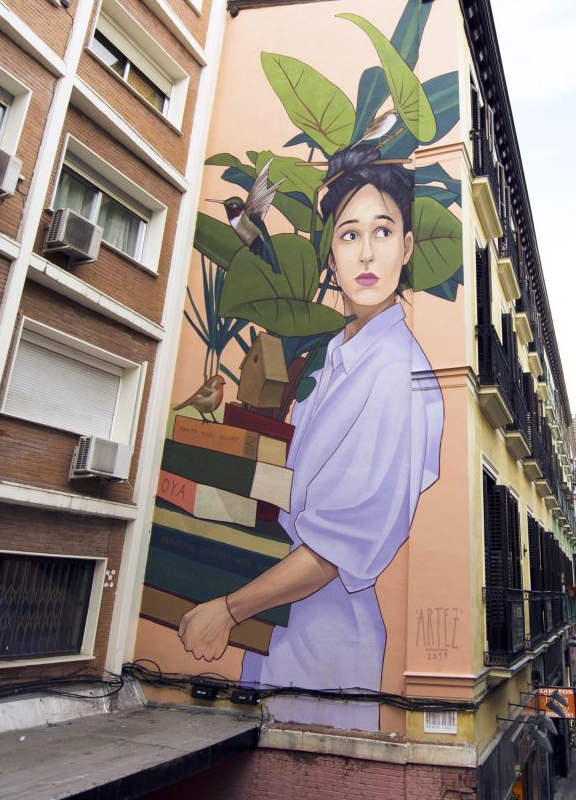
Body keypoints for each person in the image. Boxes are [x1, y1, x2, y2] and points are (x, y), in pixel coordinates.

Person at [178, 144, 443, 731]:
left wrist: (227, 610)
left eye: (383, 231)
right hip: (281, 631)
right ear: (330, 252)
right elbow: (286, 484)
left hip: (328, 650)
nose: (367, 253)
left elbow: (335, 547)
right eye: (348, 235)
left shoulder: (400, 375)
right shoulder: (340, 359)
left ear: (407, 248)